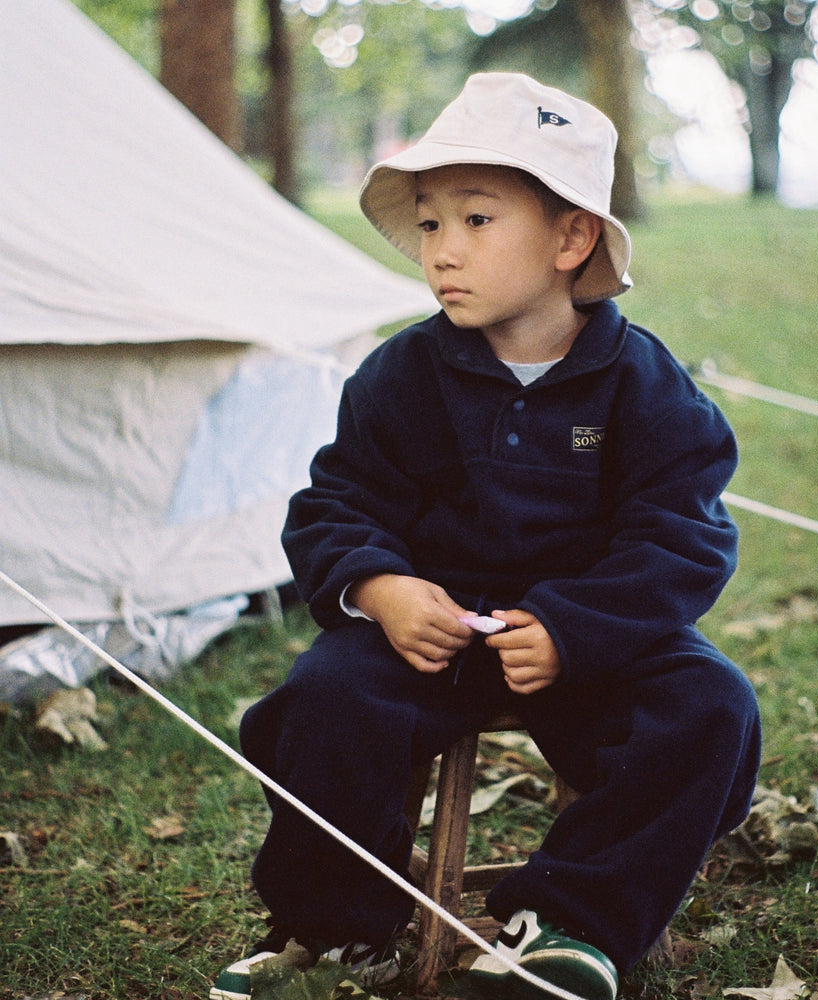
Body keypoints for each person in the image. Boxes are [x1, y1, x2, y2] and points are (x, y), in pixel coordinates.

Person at [210, 72, 761, 1000]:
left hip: (591, 645)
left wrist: (579, 628)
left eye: (477, 220)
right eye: (430, 224)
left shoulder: (642, 385)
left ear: (572, 238)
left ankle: (569, 923)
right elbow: (336, 503)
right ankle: (337, 927)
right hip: (429, 637)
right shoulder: (401, 375)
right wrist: (382, 591)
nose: (442, 251)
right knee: (321, 701)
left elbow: (685, 533)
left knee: (710, 708)